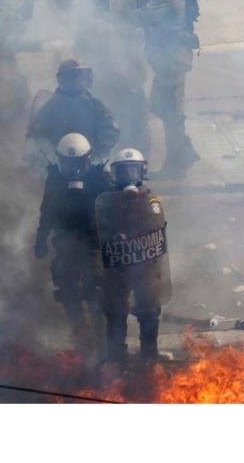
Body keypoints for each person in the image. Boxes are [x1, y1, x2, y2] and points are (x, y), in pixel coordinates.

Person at [54, 0, 151, 153]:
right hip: (93, 48)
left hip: (124, 48)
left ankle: (137, 149)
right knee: (98, 98)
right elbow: (61, 2)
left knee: (132, 97)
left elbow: (139, 3)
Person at [34, 133, 110, 354]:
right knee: (67, 291)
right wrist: (41, 238)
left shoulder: (100, 180)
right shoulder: (55, 180)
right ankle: (83, 341)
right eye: (67, 163)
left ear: (88, 159)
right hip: (65, 243)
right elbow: (46, 211)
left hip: (94, 243)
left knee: (96, 290)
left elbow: (114, 210)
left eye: (77, 163)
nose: (72, 168)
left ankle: (103, 345)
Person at [95, 148, 169, 369]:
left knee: (149, 310)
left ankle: (149, 356)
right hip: (118, 266)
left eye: (133, 171)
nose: (129, 177)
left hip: (144, 266)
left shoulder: (151, 199)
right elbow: (100, 227)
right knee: (115, 311)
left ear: (142, 171)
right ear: (115, 175)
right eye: (124, 172)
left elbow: (156, 226)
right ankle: (116, 357)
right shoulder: (107, 201)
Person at [135, 0, 201, 177]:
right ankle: (184, 152)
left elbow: (139, 17)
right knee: (161, 107)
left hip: (171, 60)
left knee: (171, 112)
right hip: (173, 58)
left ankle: (178, 163)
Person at [26, 58, 121, 167]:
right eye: (74, 76)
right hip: (59, 166)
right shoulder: (51, 107)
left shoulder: (95, 106)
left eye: (82, 75)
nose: (78, 80)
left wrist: (97, 154)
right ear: (64, 79)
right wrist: (50, 157)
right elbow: (37, 135)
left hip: (91, 164)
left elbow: (111, 131)